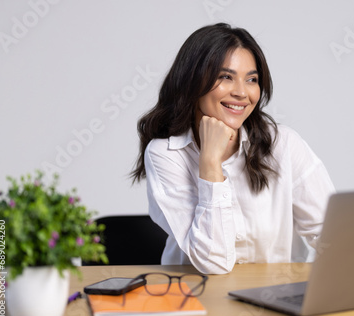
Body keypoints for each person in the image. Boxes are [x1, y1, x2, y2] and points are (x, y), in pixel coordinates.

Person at [131, 23, 335, 275]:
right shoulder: (166, 154)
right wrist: (210, 160)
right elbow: (213, 263)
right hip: (200, 297)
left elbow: (331, 233)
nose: (241, 92)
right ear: (192, 81)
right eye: (225, 77)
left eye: (251, 80)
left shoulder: (284, 143)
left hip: (276, 297)